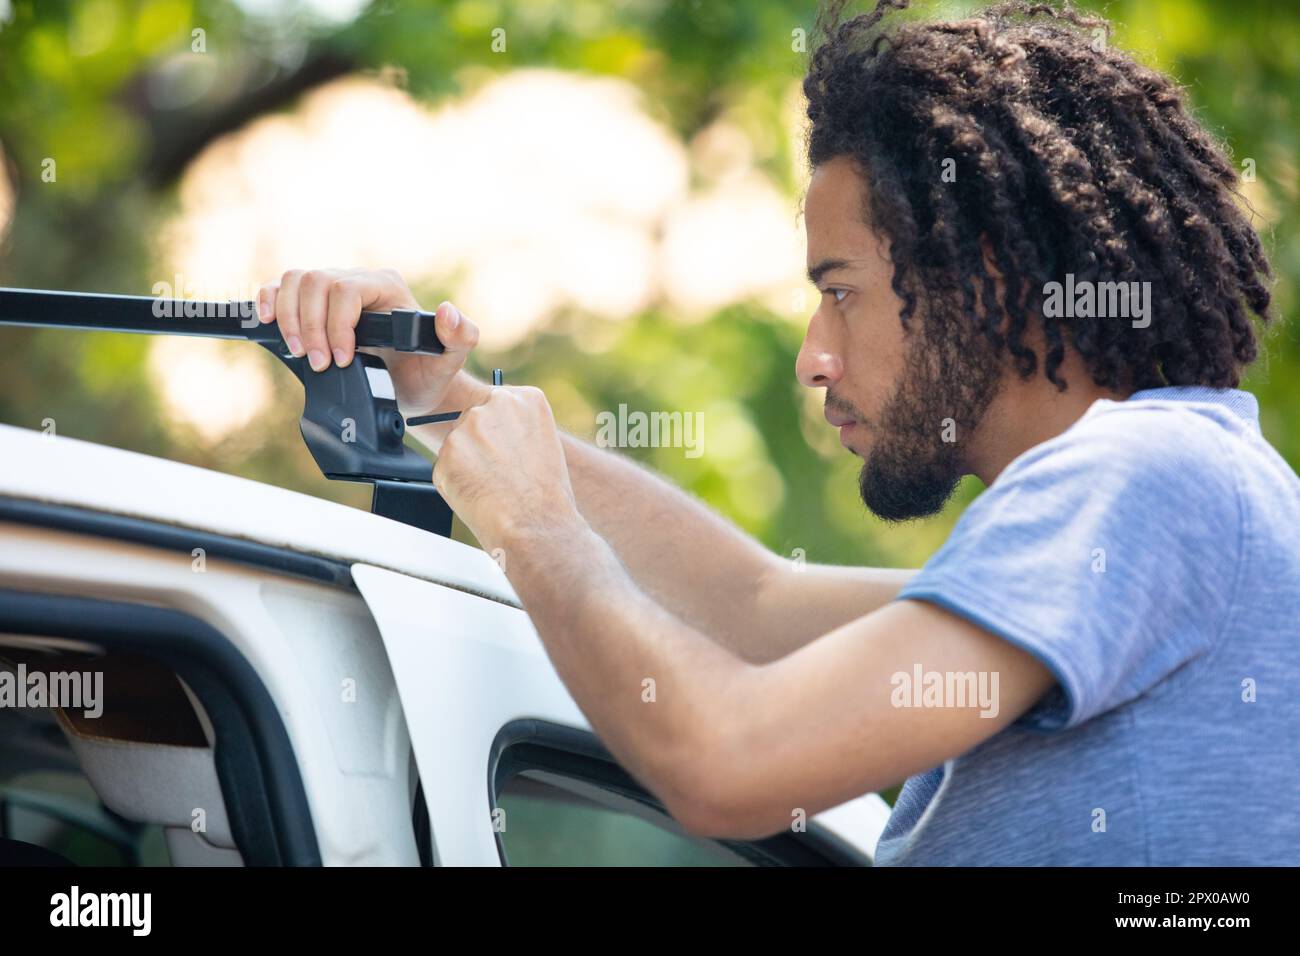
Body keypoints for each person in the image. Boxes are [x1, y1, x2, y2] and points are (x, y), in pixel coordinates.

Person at [255, 0, 1299, 865]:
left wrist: (535, 531)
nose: (813, 355)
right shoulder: (1171, 504)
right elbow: (756, 605)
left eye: (839, 292)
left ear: (983, 274)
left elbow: (727, 760)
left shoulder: (1142, 476)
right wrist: (451, 407)